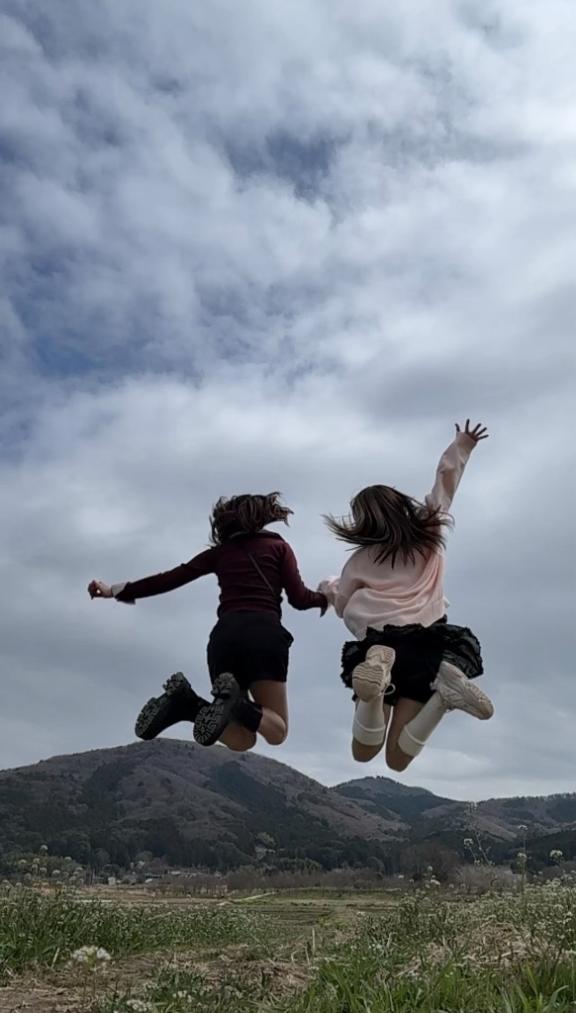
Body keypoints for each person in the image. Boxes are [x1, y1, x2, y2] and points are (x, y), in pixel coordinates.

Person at [88, 492, 326, 751]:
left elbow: (169, 578)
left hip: (224, 639)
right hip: (264, 635)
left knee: (242, 739)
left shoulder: (220, 553)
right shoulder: (279, 547)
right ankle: (235, 703)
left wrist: (114, 590)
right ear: (262, 516)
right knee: (277, 731)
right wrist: (325, 599)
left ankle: (187, 704)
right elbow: (300, 598)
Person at [319, 421, 494, 772]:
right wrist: (462, 444)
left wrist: (326, 587)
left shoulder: (360, 561)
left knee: (363, 753)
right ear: (401, 506)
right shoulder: (430, 536)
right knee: (398, 760)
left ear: (363, 522)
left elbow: (343, 603)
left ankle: (375, 694)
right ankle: (444, 698)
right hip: (427, 645)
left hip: (380, 644)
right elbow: (445, 484)